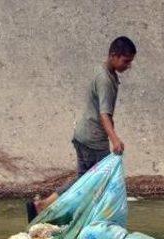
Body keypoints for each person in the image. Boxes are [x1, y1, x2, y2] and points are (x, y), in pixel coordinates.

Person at [26, 36, 136, 222]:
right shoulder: (105, 80)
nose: (128, 66)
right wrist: (115, 139)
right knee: (99, 183)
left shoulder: (104, 72)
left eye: (130, 62)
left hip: (84, 135)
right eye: (126, 61)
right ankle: (88, 221)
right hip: (93, 139)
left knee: (85, 179)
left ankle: (45, 205)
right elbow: (104, 114)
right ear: (113, 55)